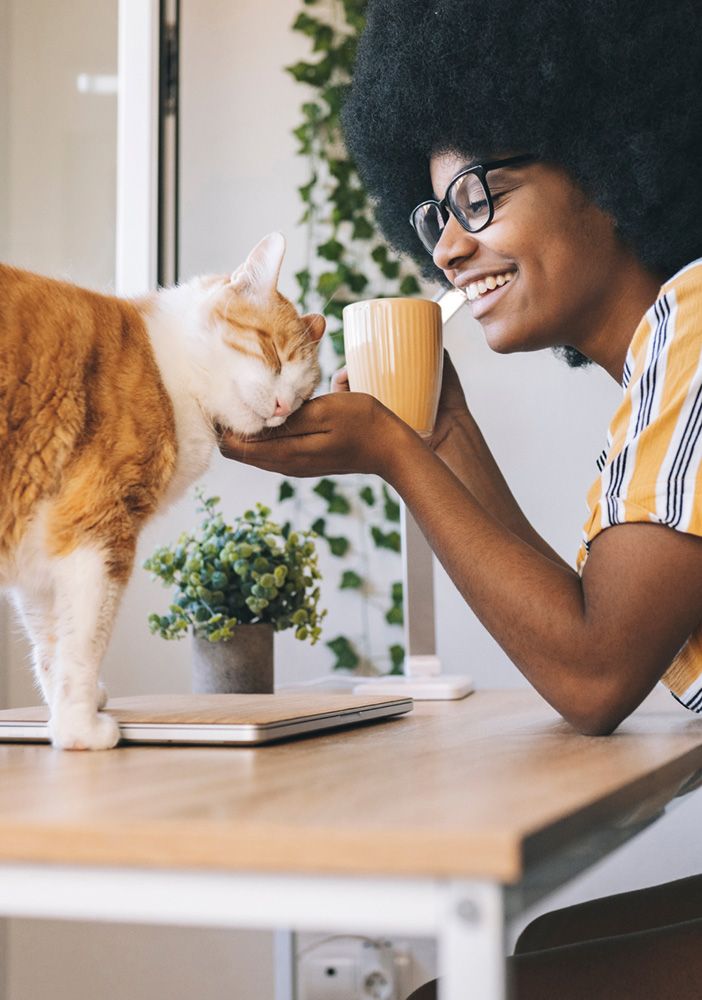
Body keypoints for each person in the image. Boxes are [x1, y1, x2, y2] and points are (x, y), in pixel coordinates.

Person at [219, 0, 702, 995]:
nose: (446, 249)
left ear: (607, 166)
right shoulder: (665, 359)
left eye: (480, 195)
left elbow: (595, 671)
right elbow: (583, 620)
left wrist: (397, 454)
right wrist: (441, 431)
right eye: (436, 214)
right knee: (515, 957)